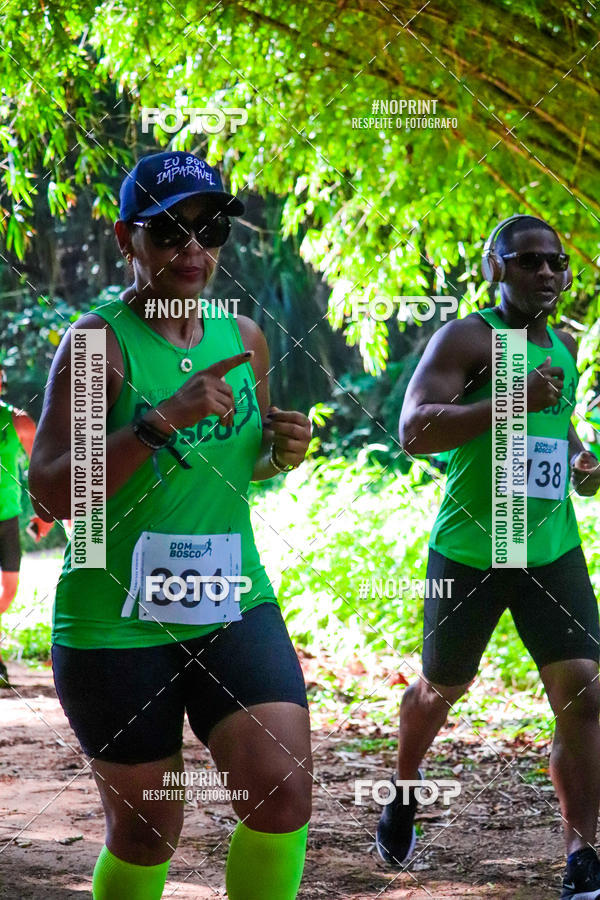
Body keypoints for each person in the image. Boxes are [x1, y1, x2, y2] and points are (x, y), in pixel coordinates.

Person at [29, 150, 313, 900]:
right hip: (113, 621)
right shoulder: (101, 343)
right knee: (148, 830)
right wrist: (156, 423)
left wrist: (279, 451)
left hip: (230, 599)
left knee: (280, 793)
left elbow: (231, 460)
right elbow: (57, 493)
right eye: (168, 232)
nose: (193, 250)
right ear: (127, 239)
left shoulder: (242, 338)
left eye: (210, 228)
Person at [378, 215, 600, 900]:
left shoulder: (558, 346)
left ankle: (583, 851)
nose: (545, 273)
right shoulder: (468, 337)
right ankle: (404, 791)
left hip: (549, 548)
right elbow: (414, 430)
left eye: (556, 263)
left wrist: (580, 462)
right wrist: (511, 397)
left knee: (585, 693)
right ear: (496, 268)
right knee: (441, 688)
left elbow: (552, 426)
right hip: (472, 549)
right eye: (528, 260)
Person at [0, 366, 53, 687]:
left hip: (6, 517)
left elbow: (38, 470)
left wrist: (44, 514)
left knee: (9, 590)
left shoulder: (18, 421)